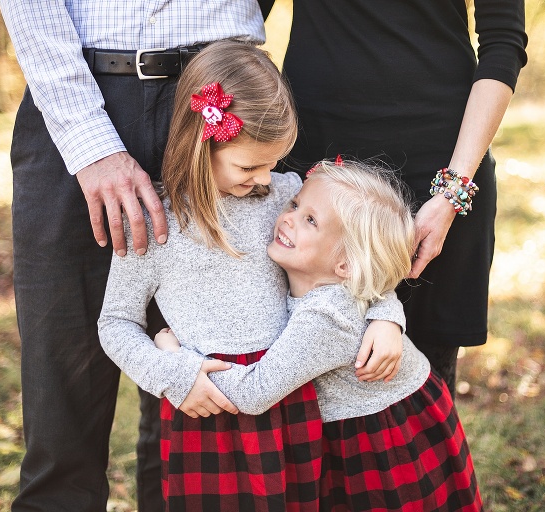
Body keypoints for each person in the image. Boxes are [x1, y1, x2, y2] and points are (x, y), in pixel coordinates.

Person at [97, 41, 406, 510]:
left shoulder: (287, 195)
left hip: (289, 402)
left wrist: (387, 314)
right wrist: (171, 373)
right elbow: (115, 322)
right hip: (204, 404)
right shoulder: (155, 220)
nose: (264, 179)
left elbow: (354, 255)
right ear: (205, 143)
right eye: (249, 165)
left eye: (272, 163)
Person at [0, 2, 277, 510]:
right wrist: (90, 144)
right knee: (61, 386)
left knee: (201, 410)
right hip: (75, 91)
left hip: (223, 100)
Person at [155, 159, 483, 511]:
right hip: (356, 424)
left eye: (310, 220)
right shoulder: (321, 280)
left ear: (345, 265)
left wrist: (174, 356)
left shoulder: (325, 319)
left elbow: (253, 393)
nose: (287, 218)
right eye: (295, 205)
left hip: (383, 435)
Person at [277, 0, 529, 396]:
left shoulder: (446, 189)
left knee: (424, 387)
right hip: (313, 171)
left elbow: (504, 41)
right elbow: (235, 22)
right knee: (296, 381)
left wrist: (452, 191)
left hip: (438, 175)